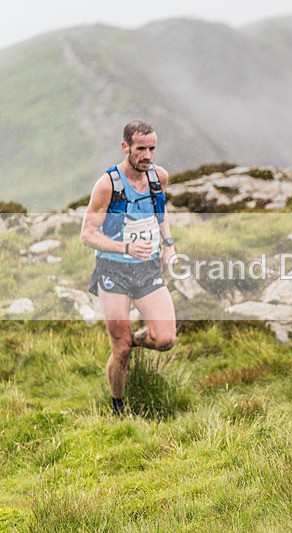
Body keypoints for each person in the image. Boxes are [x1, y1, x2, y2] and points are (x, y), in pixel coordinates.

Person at [81, 121, 177, 416]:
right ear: (125, 148)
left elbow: (160, 212)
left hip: (147, 270)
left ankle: (131, 340)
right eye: (141, 149)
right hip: (113, 272)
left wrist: (169, 243)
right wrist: (125, 248)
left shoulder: (159, 177)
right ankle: (118, 407)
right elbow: (87, 234)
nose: (147, 155)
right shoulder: (108, 185)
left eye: (152, 148)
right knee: (119, 351)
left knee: (165, 339)